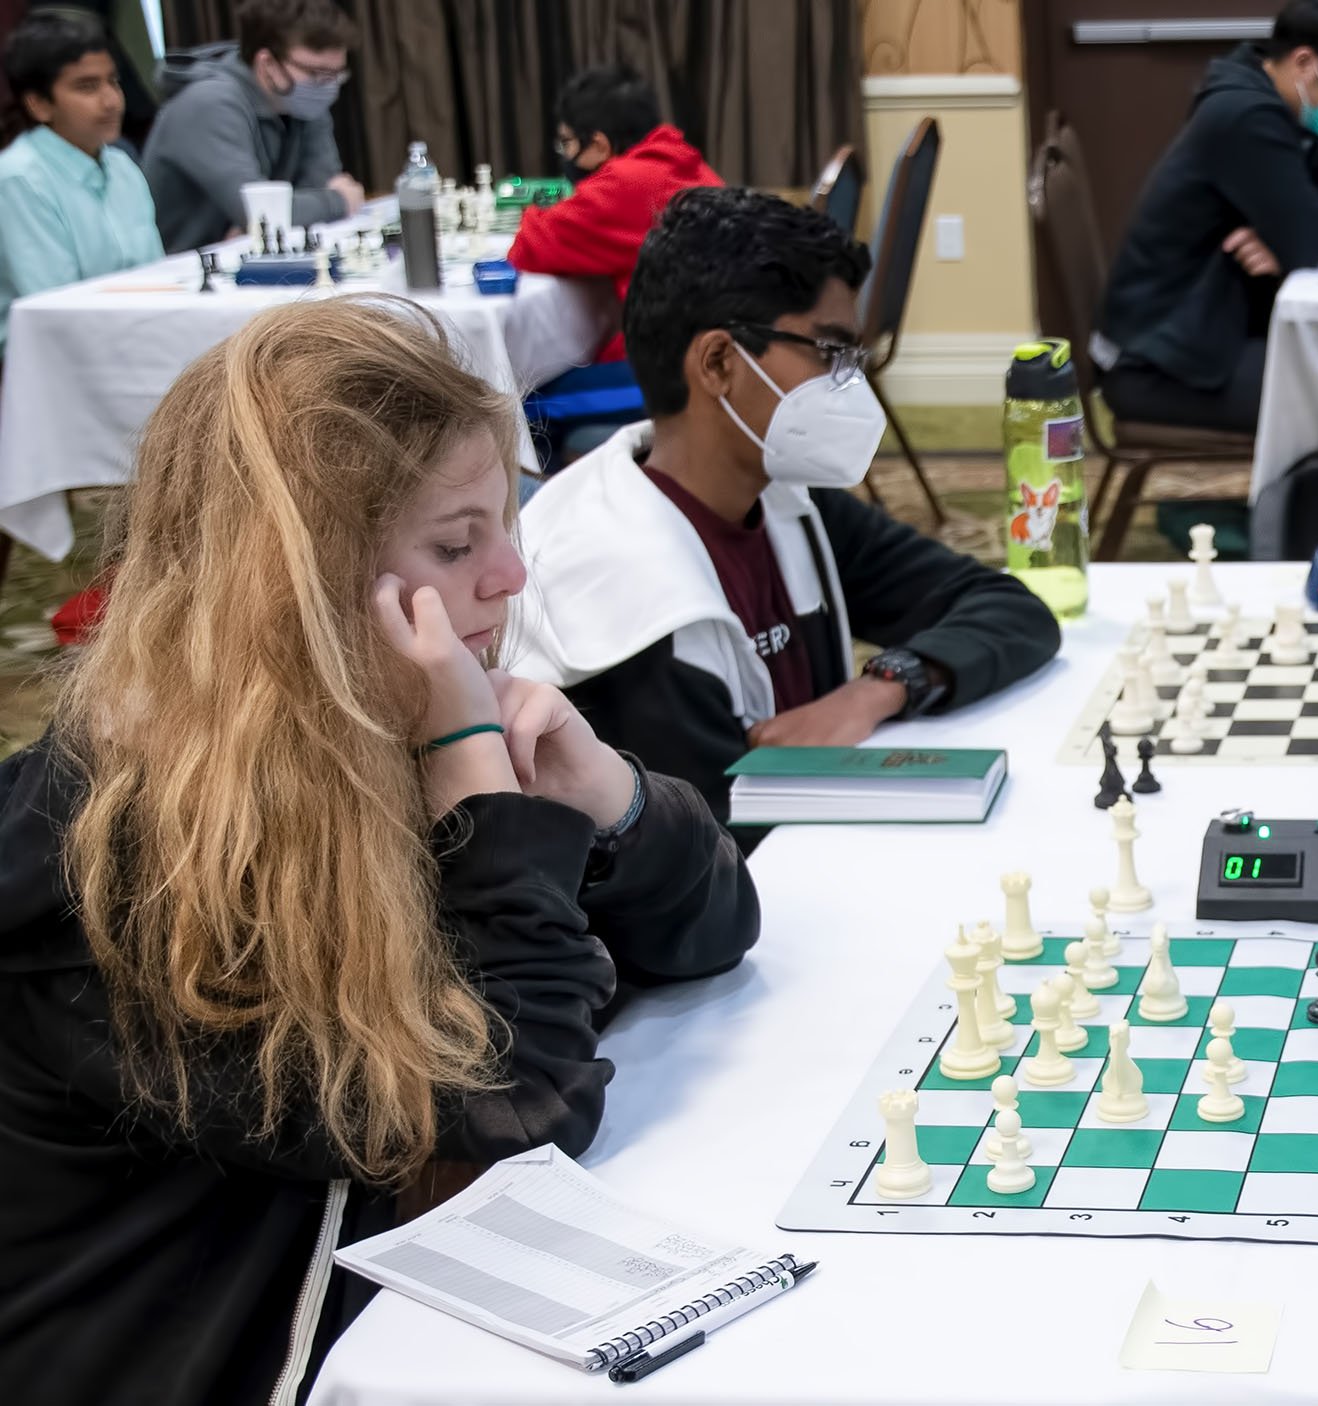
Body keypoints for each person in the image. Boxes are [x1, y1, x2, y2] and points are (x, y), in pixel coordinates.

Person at [0, 295, 758, 1403]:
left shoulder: (357, 730)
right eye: (458, 543)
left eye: (507, 523)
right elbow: (515, 1110)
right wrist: (482, 799)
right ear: (295, 591)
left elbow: (712, 930)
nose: (512, 576)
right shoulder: (126, 873)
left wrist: (608, 800)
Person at [504, 187, 1061, 835]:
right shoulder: (625, 596)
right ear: (718, 363)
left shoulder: (783, 499)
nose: (847, 383)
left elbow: (1011, 611)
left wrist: (877, 688)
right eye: (829, 353)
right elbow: (720, 850)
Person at [1093, 0, 1318, 434]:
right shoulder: (1245, 117)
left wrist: (1289, 239)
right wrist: (1292, 240)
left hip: (1202, 332)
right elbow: (1310, 239)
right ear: (1305, 62)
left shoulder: (1274, 101)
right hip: (1157, 363)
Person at [507, 64, 722, 364]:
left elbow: (528, 248)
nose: (565, 155)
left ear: (598, 144)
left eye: (567, 143)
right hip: (712, 353)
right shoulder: (684, 162)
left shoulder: (625, 183)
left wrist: (532, 213)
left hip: (667, 366)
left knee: (530, 394)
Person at [0, 8, 164, 354]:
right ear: (39, 104)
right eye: (87, 87)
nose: (111, 100)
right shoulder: (18, 178)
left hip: (132, 339)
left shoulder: (122, 166)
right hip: (51, 362)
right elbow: (57, 309)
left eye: (113, 81)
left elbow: (157, 278)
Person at [140, 0, 363, 253]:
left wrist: (279, 215)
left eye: (336, 75)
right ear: (267, 63)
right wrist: (338, 201)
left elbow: (320, 184)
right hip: (180, 269)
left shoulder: (302, 100)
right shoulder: (210, 103)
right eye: (316, 74)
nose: (328, 87)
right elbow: (260, 213)